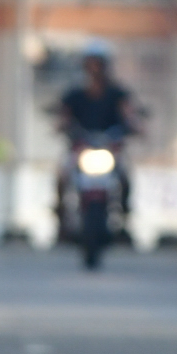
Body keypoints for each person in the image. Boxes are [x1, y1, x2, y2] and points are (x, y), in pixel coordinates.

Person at [56, 39, 138, 228]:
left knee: (124, 174)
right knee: (63, 174)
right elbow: (63, 117)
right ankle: (60, 212)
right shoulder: (75, 94)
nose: (95, 69)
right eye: (91, 64)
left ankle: (125, 213)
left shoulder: (117, 93)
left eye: (98, 64)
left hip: (110, 147)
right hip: (81, 147)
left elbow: (129, 115)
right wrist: (61, 126)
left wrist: (134, 126)